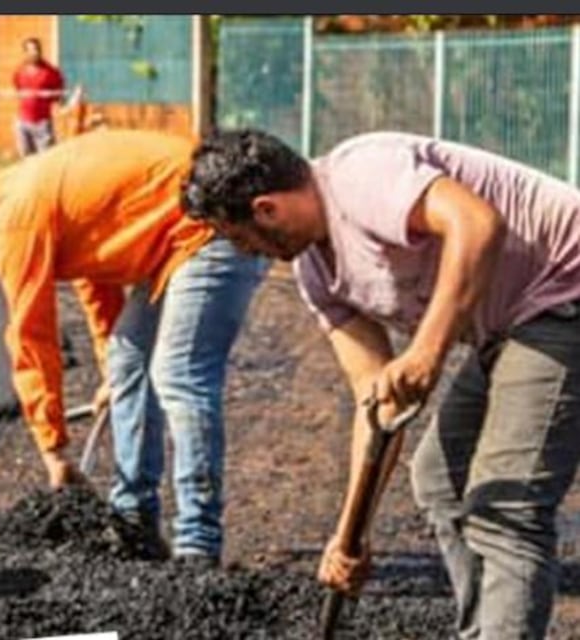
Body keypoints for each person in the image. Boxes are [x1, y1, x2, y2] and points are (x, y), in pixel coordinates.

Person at [182, 128, 580, 638]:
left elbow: (477, 223)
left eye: (241, 239)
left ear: (266, 209)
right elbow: (376, 403)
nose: (249, 253)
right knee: (442, 479)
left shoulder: (359, 175)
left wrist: (427, 350)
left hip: (564, 293)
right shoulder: (316, 274)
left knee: (505, 503)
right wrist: (350, 535)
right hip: (511, 324)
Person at [0, 129, 269, 566]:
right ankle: (133, 522)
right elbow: (95, 277)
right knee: (128, 356)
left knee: (180, 373)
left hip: (217, 225)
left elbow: (31, 335)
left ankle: (197, 544)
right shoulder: (26, 196)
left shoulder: (10, 216)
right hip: (177, 240)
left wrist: (53, 450)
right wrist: (110, 372)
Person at [12, 37, 65, 157]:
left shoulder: (51, 72)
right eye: (30, 50)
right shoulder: (19, 71)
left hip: (42, 123)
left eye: (36, 49)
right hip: (23, 122)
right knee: (26, 159)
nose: (34, 53)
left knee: (46, 159)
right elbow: (18, 89)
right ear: (25, 53)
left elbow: (58, 95)